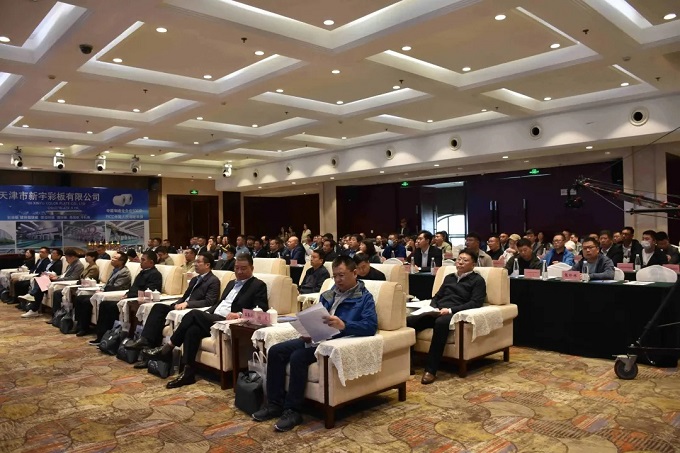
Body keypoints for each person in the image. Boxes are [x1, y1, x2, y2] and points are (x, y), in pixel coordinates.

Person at [252, 256, 377, 431]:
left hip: (335, 342)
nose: (338, 280)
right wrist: (308, 330)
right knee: (275, 350)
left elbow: (370, 326)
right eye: (335, 276)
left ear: (354, 273)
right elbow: (317, 316)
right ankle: (275, 404)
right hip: (317, 337)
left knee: (298, 357)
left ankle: (293, 411)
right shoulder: (329, 293)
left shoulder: (364, 298)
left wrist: (345, 325)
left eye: (342, 275)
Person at [145, 254, 268, 388]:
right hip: (214, 316)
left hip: (226, 321)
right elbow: (220, 303)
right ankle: (188, 373)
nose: (239, 271)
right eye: (236, 268)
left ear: (252, 268)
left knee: (193, 314)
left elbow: (261, 309)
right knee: (193, 330)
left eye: (243, 268)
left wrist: (239, 314)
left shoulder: (258, 285)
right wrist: (208, 313)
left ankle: (168, 347)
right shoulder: (231, 283)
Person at [407, 249, 485, 384]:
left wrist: (449, 310)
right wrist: (434, 307)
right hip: (438, 310)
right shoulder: (450, 277)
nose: (460, 262)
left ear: (473, 264)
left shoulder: (477, 280)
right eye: (459, 259)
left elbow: (475, 303)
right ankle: (408, 363)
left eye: (465, 260)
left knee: (441, 323)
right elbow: (437, 296)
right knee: (409, 321)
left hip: (455, 313)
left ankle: (431, 370)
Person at [124, 252, 221, 358]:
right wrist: (176, 304)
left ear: (207, 265)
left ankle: (154, 352)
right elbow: (185, 296)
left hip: (192, 309)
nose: (195, 264)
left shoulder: (213, 280)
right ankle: (145, 341)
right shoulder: (195, 279)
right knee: (158, 307)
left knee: (163, 315)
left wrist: (188, 304)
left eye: (198, 262)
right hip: (182, 305)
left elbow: (209, 301)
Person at [87, 251, 162, 345]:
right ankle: (103, 336)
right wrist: (127, 294)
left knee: (110, 307)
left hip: (137, 300)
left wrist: (129, 295)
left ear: (151, 262)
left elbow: (149, 290)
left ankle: (113, 339)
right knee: (105, 304)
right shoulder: (142, 272)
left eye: (143, 260)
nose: (141, 262)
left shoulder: (155, 274)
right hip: (130, 297)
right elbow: (133, 287)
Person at [73, 252, 132, 336]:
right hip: (105, 291)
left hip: (114, 293)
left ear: (121, 261)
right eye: (112, 257)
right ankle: (78, 325)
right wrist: (101, 288)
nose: (112, 259)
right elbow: (108, 284)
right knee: (79, 298)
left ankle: (84, 328)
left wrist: (103, 290)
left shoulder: (124, 272)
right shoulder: (115, 270)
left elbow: (117, 287)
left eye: (115, 258)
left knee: (86, 301)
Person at [22, 248, 84, 318]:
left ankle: (33, 304)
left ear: (72, 257)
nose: (66, 260)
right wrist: (56, 276)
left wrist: (57, 278)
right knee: (41, 281)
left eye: (67, 258)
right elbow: (64, 275)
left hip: (65, 283)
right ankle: (33, 305)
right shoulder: (71, 264)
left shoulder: (78, 265)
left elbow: (73, 278)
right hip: (60, 280)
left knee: (41, 285)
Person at [49, 251, 100, 319]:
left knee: (61, 293)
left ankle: (65, 316)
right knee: (57, 293)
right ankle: (56, 315)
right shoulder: (88, 266)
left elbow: (86, 280)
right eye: (85, 256)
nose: (85, 258)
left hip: (85, 286)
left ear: (93, 257)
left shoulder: (93, 268)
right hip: (80, 285)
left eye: (87, 256)